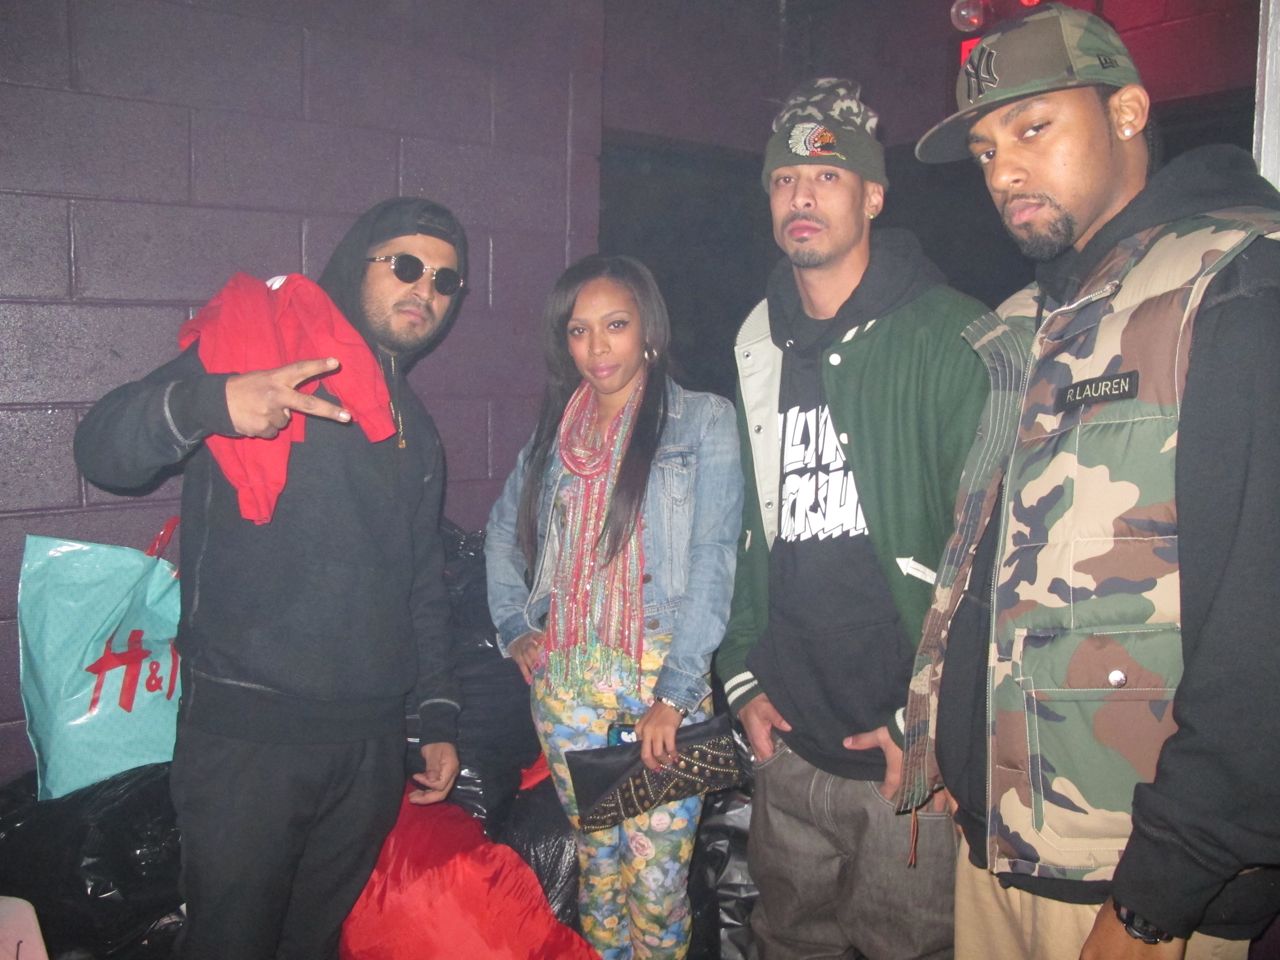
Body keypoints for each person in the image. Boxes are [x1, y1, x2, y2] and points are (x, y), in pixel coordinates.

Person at [900, 5, 1280, 958]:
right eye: (987, 150)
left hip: (1137, 881)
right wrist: (949, 741)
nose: (1004, 172)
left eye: (1033, 128)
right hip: (1001, 842)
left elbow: (1263, 637)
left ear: (1127, 113)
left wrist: (1155, 899)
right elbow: (991, 569)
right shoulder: (1024, 320)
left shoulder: (1235, 286)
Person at [73, 197, 468, 960]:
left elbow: (419, 580)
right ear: (358, 263)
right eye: (406, 265)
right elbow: (101, 448)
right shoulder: (266, 351)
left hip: (367, 747)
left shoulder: (415, 430)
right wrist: (211, 401)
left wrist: (438, 719)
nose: (425, 289)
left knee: (310, 946)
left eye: (445, 280)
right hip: (250, 739)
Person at [712, 77, 990, 959]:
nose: (802, 195)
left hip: (906, 758)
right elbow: (749, 529)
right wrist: (740, 675)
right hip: (789, 744)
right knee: (784, 943)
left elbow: (992, 556)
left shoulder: (953, 336)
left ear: (873, 195)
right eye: (785, 178)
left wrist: (932, 722)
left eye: (827, 177)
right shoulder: (757, 339)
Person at [485, 254, 742, 959]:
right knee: (595, 874)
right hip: (566, 688)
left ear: (647, 330)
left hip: (661, 685)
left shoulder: (702, 421)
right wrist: (515, 626)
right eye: (579, 330)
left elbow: (714, 557)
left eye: (616, 325)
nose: (597, 347)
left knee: (656, 891)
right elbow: (501, 532)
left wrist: (678, 694)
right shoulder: (552, 438)